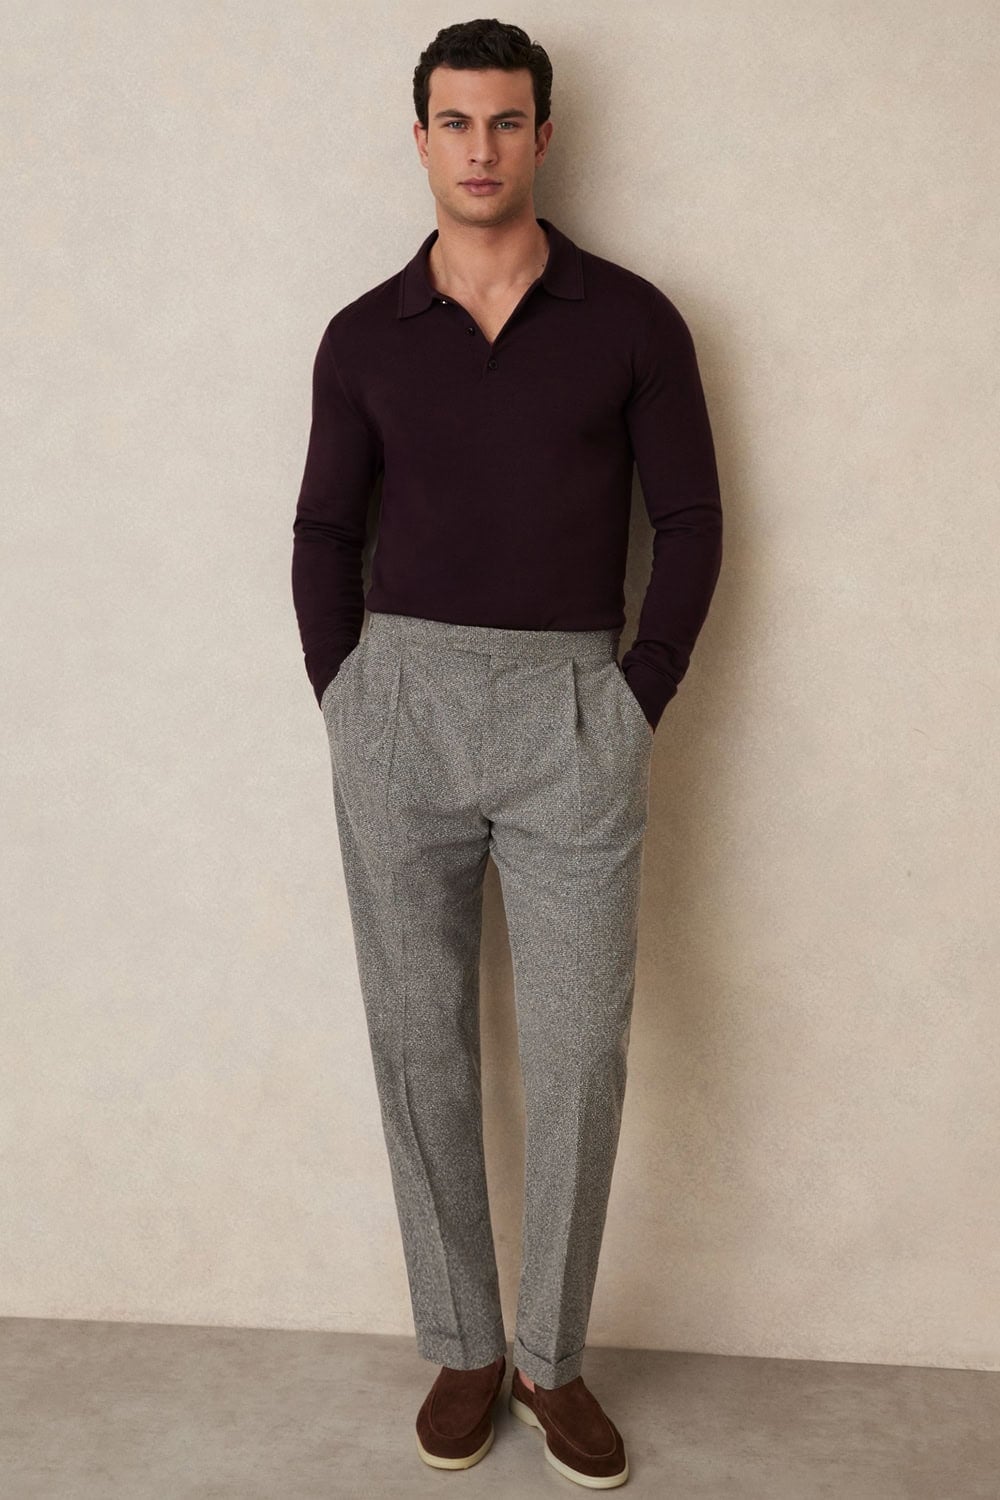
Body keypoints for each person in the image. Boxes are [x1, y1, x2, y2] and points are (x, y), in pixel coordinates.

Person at [291, 18, 722, 1489]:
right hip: (399, 708)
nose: (481, 148)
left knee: (582, 1049)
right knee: (419, 1039)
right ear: (420, 138)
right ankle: (465, 1343)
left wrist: (635, 697)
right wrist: (347, 695)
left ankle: (552, 1354)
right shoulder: (363, 335)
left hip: (572, 714)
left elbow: (694, 522)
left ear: (545, 134)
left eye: (507, 120)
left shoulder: (633, 322)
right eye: (456, 122)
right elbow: (323, 528)